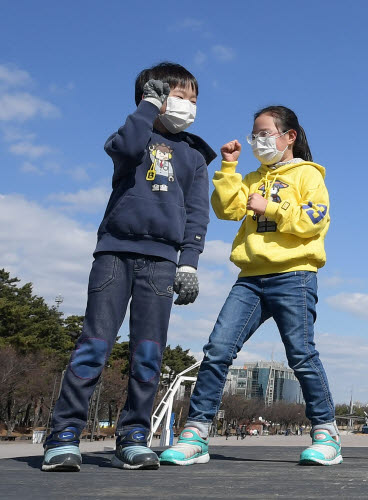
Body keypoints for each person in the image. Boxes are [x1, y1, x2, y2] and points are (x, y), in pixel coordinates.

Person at [41, 62, 212, 472]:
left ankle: (134, 435)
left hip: (161, 262)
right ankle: (64, 434)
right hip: (115, 254)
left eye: (194, 99)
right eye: (180, 96)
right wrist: (147, 108)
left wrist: (188, 264)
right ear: (153, 95)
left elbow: (196, 214)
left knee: (148, 353)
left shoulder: (194, 155)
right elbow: (129, 148)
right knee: (94, 345)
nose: (188, 105)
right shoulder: (134, 134)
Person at [159, 105, 341, 467]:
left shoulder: (308, 175)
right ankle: (196, 433)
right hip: (250, 278)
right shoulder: (252, 177)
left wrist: (270, 209)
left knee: (301, 355)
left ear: (289, 137)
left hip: (295, 275)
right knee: (218, 350)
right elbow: (227, 209)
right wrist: (228, 167)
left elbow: (316, 221)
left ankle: (326, 433)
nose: (258, 141)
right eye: (254, 135)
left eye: (265, 133)